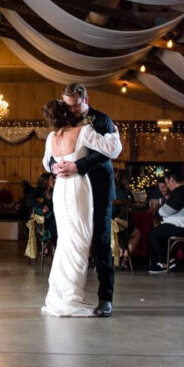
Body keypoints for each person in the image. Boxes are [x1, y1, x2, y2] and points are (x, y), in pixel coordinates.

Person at [41, 98, 122, 317]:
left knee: (72, 241)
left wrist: (56, 166)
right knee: (79, 241)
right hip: (76, 188)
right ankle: (71, 297)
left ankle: (66, 295)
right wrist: (115, 134)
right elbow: (113, 149)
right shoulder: (83, 131)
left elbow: (47, 160)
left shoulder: (52, 137)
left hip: (65, 190)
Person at [148, 173, 184, 274]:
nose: (167, 185)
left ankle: (163, 263)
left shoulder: (179, 192)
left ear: (172, 180)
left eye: (166, 182)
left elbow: (164, 212)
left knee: (154, 233)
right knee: (162, 230)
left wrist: (159, 209)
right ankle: (170, 260)